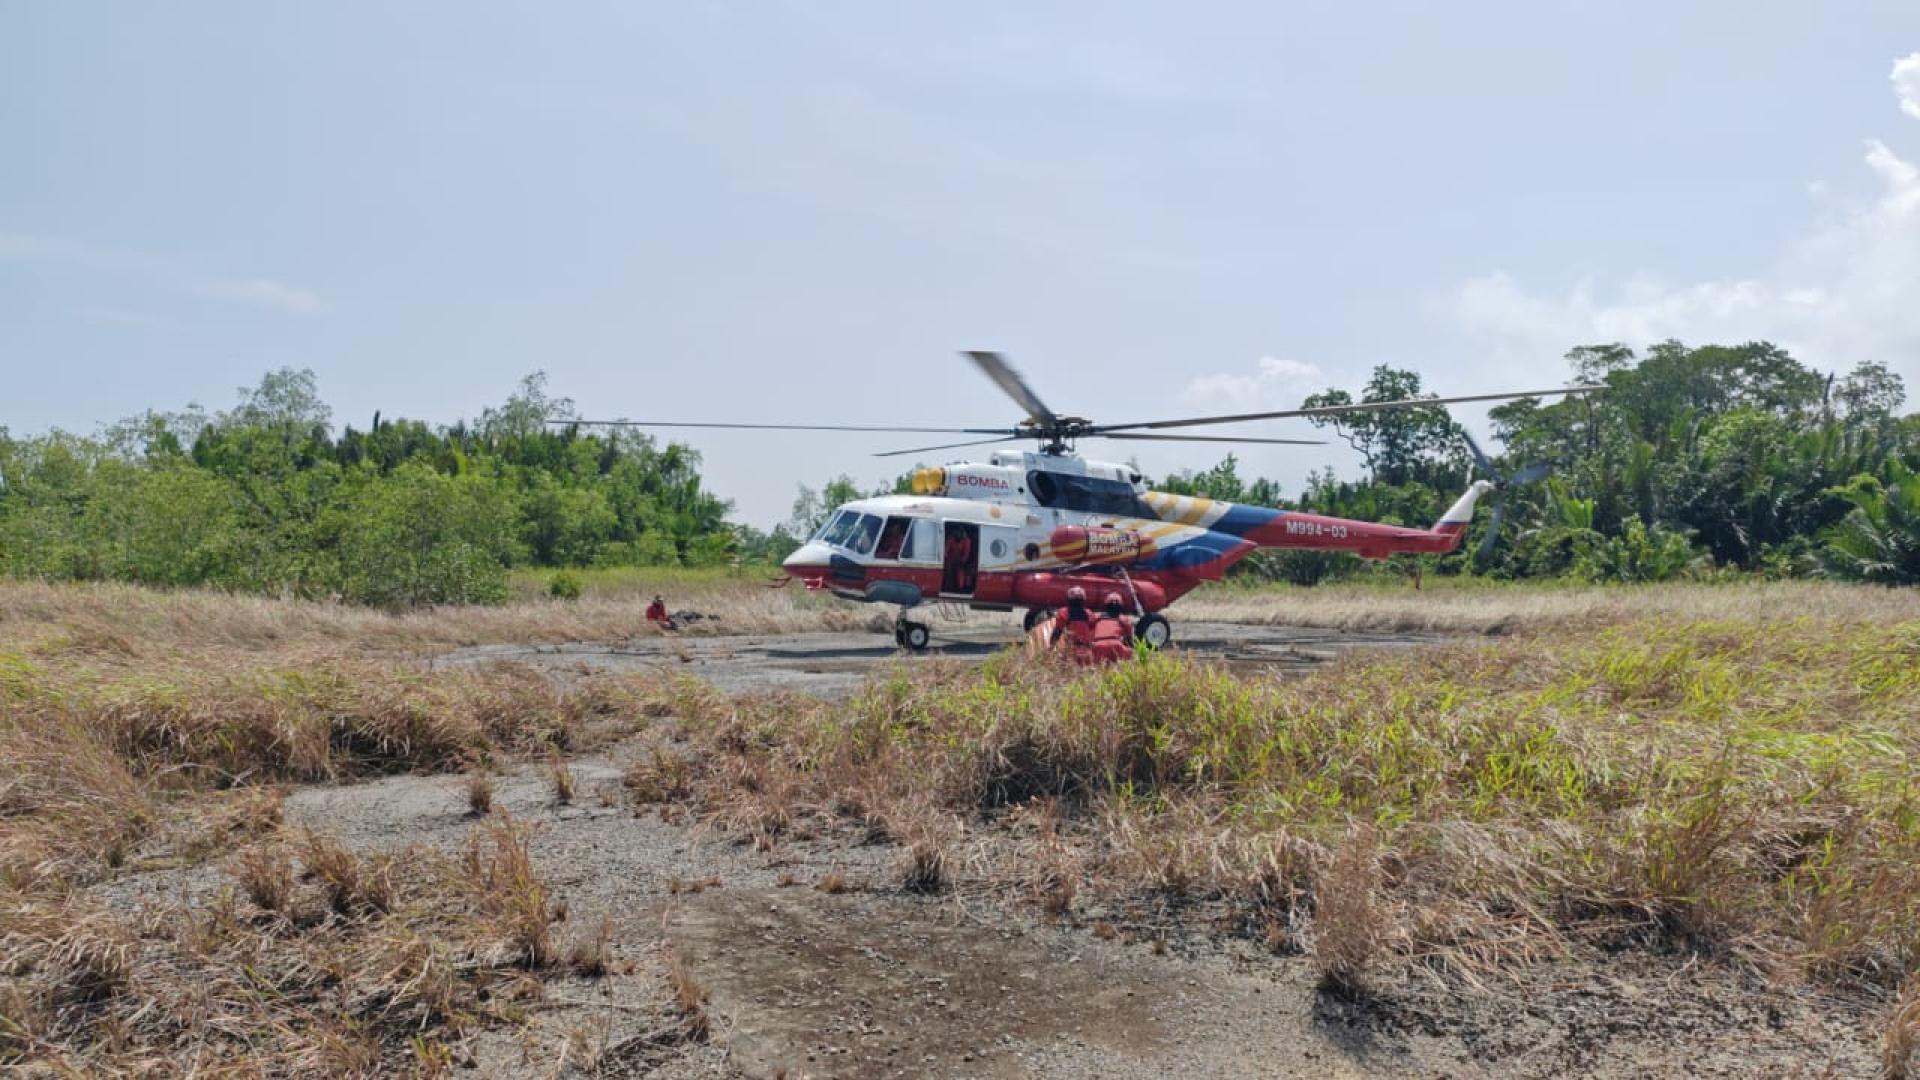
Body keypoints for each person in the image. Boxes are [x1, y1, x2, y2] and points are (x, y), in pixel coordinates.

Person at [1048, 585, 1096, 665]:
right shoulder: (1090, 614)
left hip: (1071, 651)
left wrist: (1051, 648)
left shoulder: (1064, 613)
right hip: (1087, 652)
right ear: (1083, 600)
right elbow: (1092, 634)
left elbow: (1057, 632)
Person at [1090, 591, 1135, 664]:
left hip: (1098, 645)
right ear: (1121, 605)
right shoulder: (1123, 619)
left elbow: (1089, 631)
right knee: (1131, 655)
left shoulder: (1096, 617)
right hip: (1116, 644)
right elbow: (1129, 639)